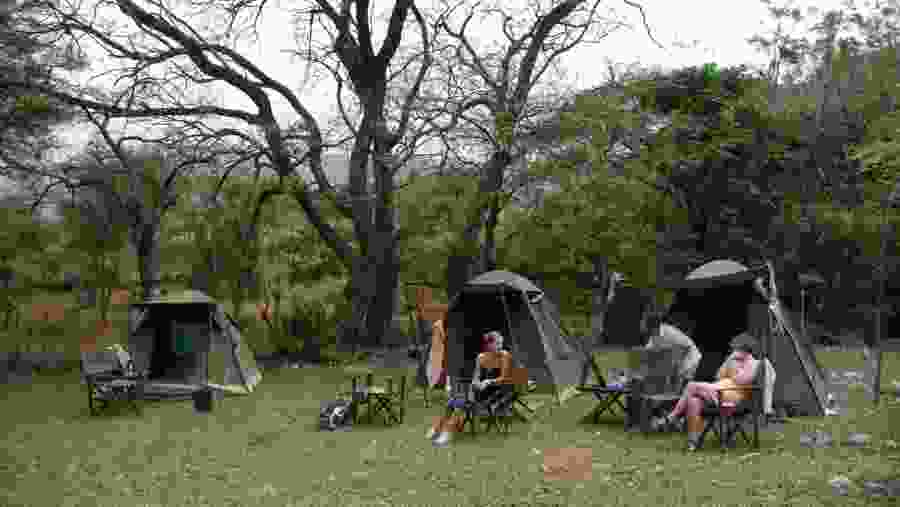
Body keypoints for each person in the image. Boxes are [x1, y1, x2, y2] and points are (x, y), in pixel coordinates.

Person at [654, 333, 762, 451]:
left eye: (736, 349)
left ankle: (672, 417)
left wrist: (735, 367)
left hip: (731, 396)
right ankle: (692, 443)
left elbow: (741, 380)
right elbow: (718, 376)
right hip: (718, 391)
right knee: (693, 401)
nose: (734, 351)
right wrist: (729, 361)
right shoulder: (734, 361)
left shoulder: (754, 364)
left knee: (692, 386)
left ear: (745, 350)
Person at [428, 331, 512, 447]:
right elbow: (475, 378)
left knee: (459, 403)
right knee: (452, 402)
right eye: (497, 344)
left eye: (501, 343)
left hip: (497, 392)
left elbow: (504, 378)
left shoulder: (504, 355)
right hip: (481, 391)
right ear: (489, 345)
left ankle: (446, 433)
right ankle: (438, 428)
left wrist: (488, 382)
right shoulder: (480, 358)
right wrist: (476, 384)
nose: (500, 346)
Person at [625, 312, 701, 432]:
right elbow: (647, 353)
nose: (645, 329)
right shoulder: (654, 336)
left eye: (647, 326)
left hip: (690, 362)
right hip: (678, 364)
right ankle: (659, 420)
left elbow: (686, 347)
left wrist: (673, 369)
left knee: (681, 393)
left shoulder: (669, 332)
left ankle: (679, 422)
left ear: (655, 326)